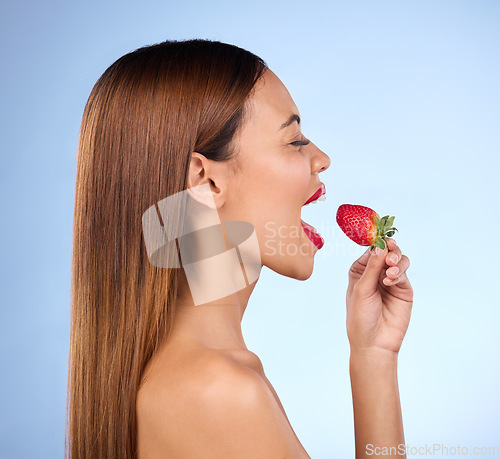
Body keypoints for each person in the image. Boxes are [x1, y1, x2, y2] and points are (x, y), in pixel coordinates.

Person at [67, 38, 413, 458]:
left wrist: (373, 353)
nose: (321, 159)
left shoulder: (185, 376)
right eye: (295, 140)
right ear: (206, 182)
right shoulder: (220, 392)